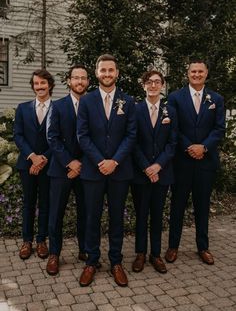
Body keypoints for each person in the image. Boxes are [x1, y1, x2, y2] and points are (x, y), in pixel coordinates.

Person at [77, 54, 136, 287]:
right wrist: (101, 160)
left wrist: (115, 161)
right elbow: (82, 135)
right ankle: (91, 261)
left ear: (117, 73)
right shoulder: (87, 101)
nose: (107, 74)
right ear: (97, 73)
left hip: (119, 171)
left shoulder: (128, 101)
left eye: (111, 70)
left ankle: (116, 261)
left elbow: (131, 135)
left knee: (116, 218)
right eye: (103, 70)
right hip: (93, 170)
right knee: (92, 217)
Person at [165, 59, 225, 265]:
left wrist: (204, 147)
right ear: (187, 74)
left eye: (201, 71)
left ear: (206, 73)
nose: (197, 74)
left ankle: (203, 247)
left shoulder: (216, 98)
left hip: (206, 162)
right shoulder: (175, 98)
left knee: (202, 205)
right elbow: (173, 128)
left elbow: (219, 129)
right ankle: (173, 246)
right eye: (193, 71)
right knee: (177, 205)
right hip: (182, 161)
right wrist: (190, 147)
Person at [131, 70, 177, 274]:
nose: (153, 85)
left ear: (163, 85)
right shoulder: (134, 110)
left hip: (162, 172)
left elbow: (172, 143)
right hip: (140, 174)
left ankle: (155, 254)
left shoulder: (170, 111)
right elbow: (132, 142)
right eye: (149, 82)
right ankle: (140, 253)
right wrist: (146, 167)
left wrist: (158, 166)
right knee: (141, 215)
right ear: (143, 85)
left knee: (157, 215)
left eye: (157, 82)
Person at [46, 64, 89, 275]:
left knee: (86, 212)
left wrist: (80, 164)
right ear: (69, 81)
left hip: (86, 169)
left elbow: (98, 139)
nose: (79, 81)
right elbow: (52, 137)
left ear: (88, 81)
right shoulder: (58, 105)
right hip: (61, 169)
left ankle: (84, 250)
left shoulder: (93, 105)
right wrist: (69, 163)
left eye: (83, 78)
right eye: (76, 78)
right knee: (56, 214)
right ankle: (54, 253)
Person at [14, 69, 55, 260]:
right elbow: (18, 136)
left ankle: (41, 241)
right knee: (28, 203)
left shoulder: (58, 109)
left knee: (45, 203)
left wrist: (43, 159)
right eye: (36, 84)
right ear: (33, 86)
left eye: (43, 83)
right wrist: (32, 157)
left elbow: (58, 139)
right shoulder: (22, 108)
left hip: (48, 165)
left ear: (50, 85)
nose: (39, 87)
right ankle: (27, 241)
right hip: (27, 164)